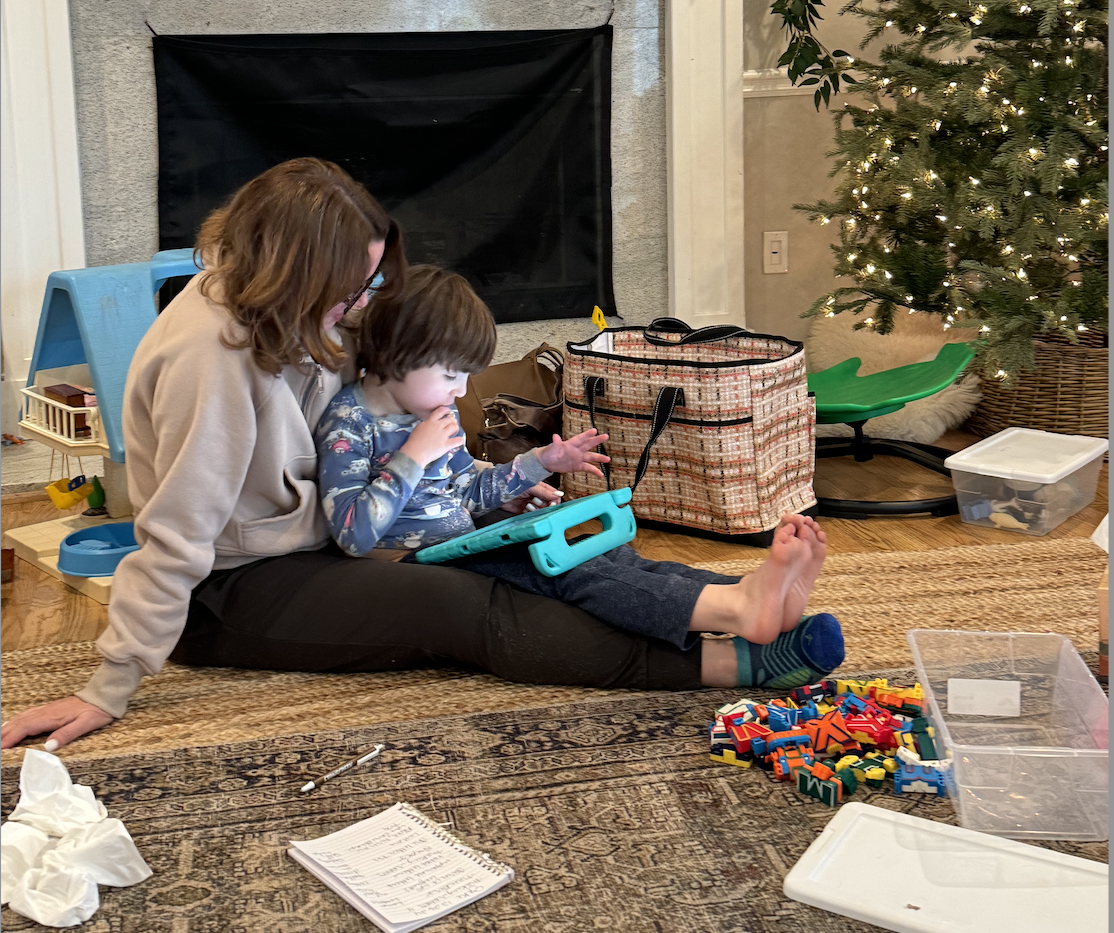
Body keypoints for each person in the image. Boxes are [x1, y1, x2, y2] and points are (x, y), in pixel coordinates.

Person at [0, 157, 839, 755]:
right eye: (353, 289)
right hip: (233, 593)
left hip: (327, 536)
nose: (363, 306)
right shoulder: (209, 363)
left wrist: (499, 482)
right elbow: (176, 537)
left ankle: (735, 600)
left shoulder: (300, 311)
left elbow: (401, 359)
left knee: (544, 553)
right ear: (298, 272)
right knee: (460, 605)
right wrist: (104, 687)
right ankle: (732, 659)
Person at [315, 264, 843, 684]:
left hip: (466, 539)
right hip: (413, 563)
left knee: (602, 550)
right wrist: (412, 457)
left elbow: (469, 490)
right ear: (396, 356)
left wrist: (539, 464)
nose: (459, 392)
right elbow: (352, 533)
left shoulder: (437, 413)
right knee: (573, 572)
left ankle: (744, 591)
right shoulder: (349, 422)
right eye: (451, 375)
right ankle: (736, 609)